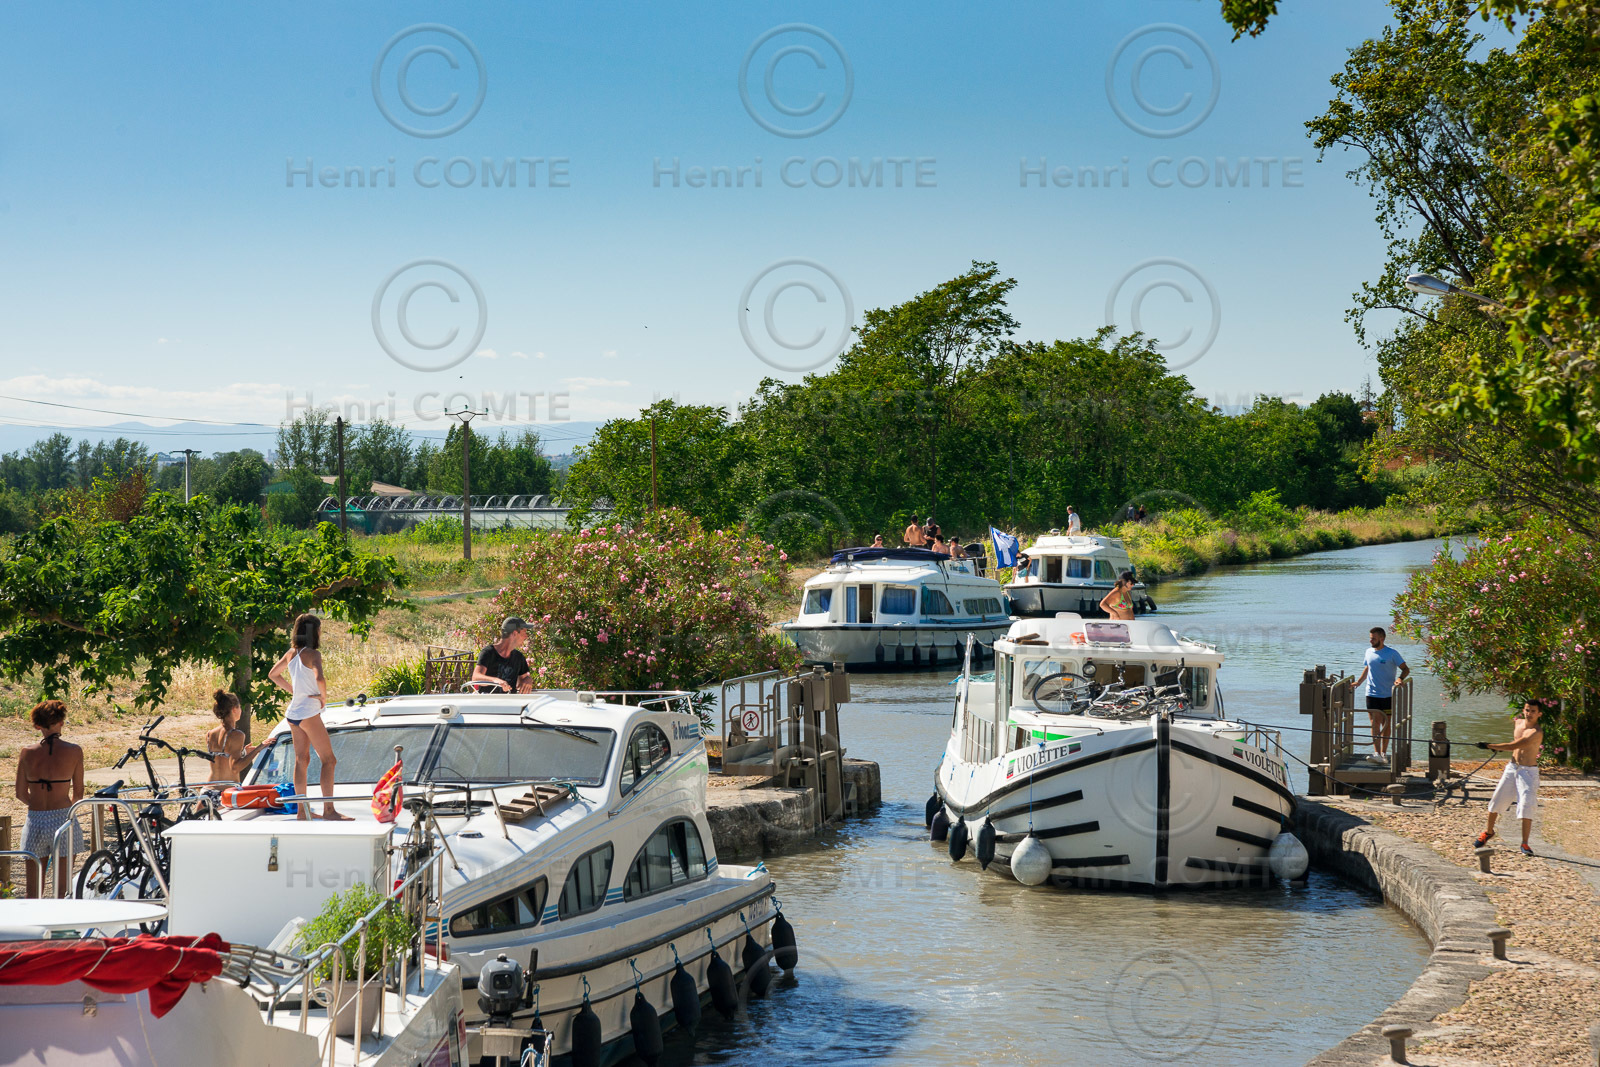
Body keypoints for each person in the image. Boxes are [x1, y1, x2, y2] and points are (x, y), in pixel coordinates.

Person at [268, 614, 347, 821]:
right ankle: (329, 811)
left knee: (301, 760)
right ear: (315, 632)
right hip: (308, 713)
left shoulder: (291, 653)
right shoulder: (313, 654)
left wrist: (294, 690)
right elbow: (319, 677)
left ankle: (302, 811)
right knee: (329, 760)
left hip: (293, 713)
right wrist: (323, 697)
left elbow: (273, 675)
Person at [13, 700, 84, 897]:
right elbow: (78, 792)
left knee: (33, 892)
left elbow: (20, 793)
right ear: (61, 722)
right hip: (63, 818)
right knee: (61, 891)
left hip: (35, 820)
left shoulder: (27, 752)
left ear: (37, 725)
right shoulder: (74, 751)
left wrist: (36, 804)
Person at [1474, 701, 1545, 855]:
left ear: (1539, 714)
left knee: (1526, 805)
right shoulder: (1518, 723)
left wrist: (1489, 746)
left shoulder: (1536, 732)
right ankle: (1488, 832)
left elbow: (1515, 745)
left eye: (1533, 711)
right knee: (1497, 799)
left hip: (1528, 772)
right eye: (1527, 710)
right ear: (1523, 710)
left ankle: (1524, 844)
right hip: (1512, 767)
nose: (1529, 713)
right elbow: (1513, 748)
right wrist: (1497, 748)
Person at [1352, 626, 1410, 763]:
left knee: (1386, 723)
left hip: (1388, 694)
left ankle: (1384, 753)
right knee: (1374, 723)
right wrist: (1359, 682)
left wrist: (1400, 679)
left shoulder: (1392, 653)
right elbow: (1367, 668)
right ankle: (1376, 753)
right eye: (1370, 638)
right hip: (1371, 693)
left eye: (1373, 638)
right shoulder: (1368, 652)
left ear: (1381, 638)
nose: (1370, 640)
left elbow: (1405, 669)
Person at [207, 689, 263, 784]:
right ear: (234, 709)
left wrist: (244, 753)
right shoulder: (236, 734)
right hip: (226, 791)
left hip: (208, 789)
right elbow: (235, 767)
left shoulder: (210, 734)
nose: (241, 710)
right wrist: (257, 749)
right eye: (240, 707)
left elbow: (223, 758)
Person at [473, 617, 533, 693]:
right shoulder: (488, 652)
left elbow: (523, 679)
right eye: (524, 632)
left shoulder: (519, 657)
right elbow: (476, 677)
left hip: (511, 703)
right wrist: (496, 680)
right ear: (514, 633)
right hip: (488, 703)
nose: (526, 637)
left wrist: (528, 679)